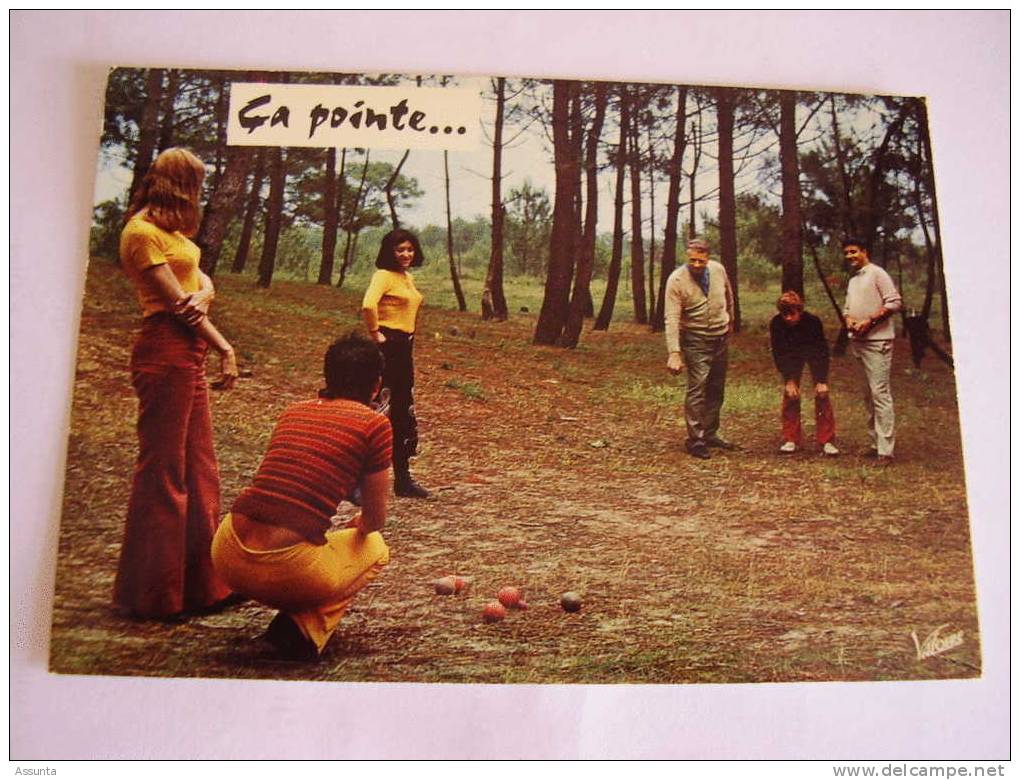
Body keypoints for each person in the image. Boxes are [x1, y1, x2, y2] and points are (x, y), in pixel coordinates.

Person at [212, 333, 392, 661]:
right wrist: (362, 525)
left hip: (226, 552)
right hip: (285, 569)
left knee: (316, 541)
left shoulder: (293, 411)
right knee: (376, 547)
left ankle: (292, 622)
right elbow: (376, 519)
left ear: (328, 375)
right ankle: (303, 629)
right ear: (377, 385)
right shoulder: (374, 424)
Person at [114, 147, 239, 620]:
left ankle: (205, 586)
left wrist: (205, 293)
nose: (200, 193)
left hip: (188, 353)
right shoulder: (141, 234)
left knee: (200, 467)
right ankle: (154, 596)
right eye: (197, 184)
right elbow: (181, 308)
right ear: (181, 183)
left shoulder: (171, 234)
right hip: (165, 350)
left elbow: (200, 286)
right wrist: (225, 347)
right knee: (164, 472)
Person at [362, 228, 429, 497]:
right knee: (378, 409)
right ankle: (358, 481)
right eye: (400, 250)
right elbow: (368, 305)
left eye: (410, 249)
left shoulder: (407, 277)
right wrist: (375, 333)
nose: (406, 254)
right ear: (389, 251)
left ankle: (403, 479)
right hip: (387, 346)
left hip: (404, 348)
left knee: (402, 410)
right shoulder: (383, 276)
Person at [664, 237, 737, 459]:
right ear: (687, 256)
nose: (696, 265)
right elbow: (672, 318)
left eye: (701, 261)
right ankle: (695, 439)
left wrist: (730, 322)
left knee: (716, 387)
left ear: (708, 258)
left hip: (720, 336)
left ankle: (710, 432)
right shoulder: (676, 280)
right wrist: (674, 353)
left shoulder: (718, 270)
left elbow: (729, 298)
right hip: (696, 339)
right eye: (693, 260)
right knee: (698, 387)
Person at [842, 237, 903, 465]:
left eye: (854, 252)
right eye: (846, 253)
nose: (850, 256)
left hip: (878, 341)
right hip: (858, 340)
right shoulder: (853, 280)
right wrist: (850, 321)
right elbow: (847, 309)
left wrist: (870, 321)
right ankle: (874, 443)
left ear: (864, 251)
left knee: (880, 393)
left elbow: (894, 302)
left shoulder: (877, 273)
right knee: (867, 393)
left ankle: (886, 451)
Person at [769, 291, 839, 456]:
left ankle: (827, 440)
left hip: (812, 352)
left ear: (800, 311)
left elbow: (821, 352)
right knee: (791, 394)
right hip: (791, 356)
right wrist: (789, 380)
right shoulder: (777, 324)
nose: (788, 318)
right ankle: (790, 438)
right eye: (784, 314)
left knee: (822, 394)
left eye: (792, 314)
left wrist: (821, 380)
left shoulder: (813, 322)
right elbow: (779, 353)